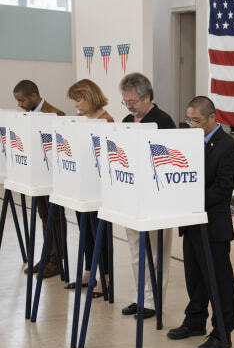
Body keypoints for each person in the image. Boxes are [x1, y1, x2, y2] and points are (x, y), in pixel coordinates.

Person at [167, 96, 234, 348]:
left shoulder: (229, 147)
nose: (192, 125)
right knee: (194, 276)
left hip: (213, 225)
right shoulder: (188, 143)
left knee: (218, 281)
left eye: (197, 121)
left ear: (213, 117)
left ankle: (222, 333)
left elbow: (222, 190)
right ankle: (195, 319)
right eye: (189, 120)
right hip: (191, 223)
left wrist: (188, 199)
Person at [120, 72, 176, 318]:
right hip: (131, 197)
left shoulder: (163, 121)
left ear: (148, 97)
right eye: (126, 102)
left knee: (156, 253)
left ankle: (153, 301)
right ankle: (140, 296)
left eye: (133, 102)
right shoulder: (125, 121)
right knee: (135, 252)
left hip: (157, 199)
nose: (129, 106)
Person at [13, 79, 66, 278]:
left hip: (52, 176)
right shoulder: (27, 115)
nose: (19, 105)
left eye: (21, 100)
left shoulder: (55, 114)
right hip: (36, 175)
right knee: (44, 216)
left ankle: (56, 260)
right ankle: (47, 256)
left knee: (56, 217)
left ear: (34, 96)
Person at [66, 79, 113, 297]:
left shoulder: (106, 120)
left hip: (99, 187)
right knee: (85, 230)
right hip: (80, 184)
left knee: (100, 233)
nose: (76, 105)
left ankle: (105, 276)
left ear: (89, 96)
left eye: (78, 99)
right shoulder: (78, 120)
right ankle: (88, 270)